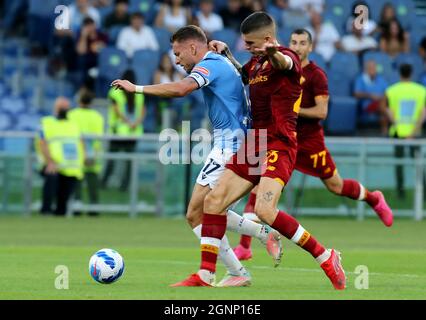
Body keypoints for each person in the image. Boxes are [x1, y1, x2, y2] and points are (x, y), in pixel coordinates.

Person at [172, 12, 345, 289]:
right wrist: (228, 54)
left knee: (265, 210)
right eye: (245, 44)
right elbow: (246, 75)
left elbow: (284, 62)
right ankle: (206, 275)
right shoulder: (254, 64)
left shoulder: (284, 58)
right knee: (213, 203)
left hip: (280, 142)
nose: (247, 48)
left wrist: (274, 52)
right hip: (255, 143)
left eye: (251, 44)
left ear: (267, 39)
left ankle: (326, 255)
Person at [111, 25, 283, 287]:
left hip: (233, 145)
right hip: (235, 143)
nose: (177, 61)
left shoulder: (210, 63)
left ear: (193, 47)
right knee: (206, 211)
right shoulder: (219, 60)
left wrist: (136, 89)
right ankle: (254, 245)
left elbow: (182, 89)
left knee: (199, 212)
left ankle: (231, 268)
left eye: (178, 54)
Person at [234, 29, 394, 260]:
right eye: (294, 42)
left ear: (310, 47)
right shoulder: (274, 66)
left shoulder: (316, 75)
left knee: (336, 186)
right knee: (258, 186)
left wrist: (292, 110)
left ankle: (373, 198)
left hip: (309, 142)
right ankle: (245, 247)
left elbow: (322, 111)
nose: (297, 46)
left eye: (302, 43)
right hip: (279, 138)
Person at [381, 64, 426, 199]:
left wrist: (394, 120)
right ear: (411, 73)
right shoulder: (421, 90)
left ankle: (401, 193)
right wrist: (416, 129)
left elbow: (384, 107)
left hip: (398, 132)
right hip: (415, 132)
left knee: (399, 163)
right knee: (419, 164)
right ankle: (423, 193)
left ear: (400, 73)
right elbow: (424, 112)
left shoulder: (392, 90)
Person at [36, 97, 85, 216]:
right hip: (53, 164)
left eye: (66, 106)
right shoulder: (47, 122)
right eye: (62, 106)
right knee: (51, 184)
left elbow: (80, 142)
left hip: (71, 166)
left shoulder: (73, 124)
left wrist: (82, 160)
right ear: (56, 108)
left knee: (64, 197)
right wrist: (50, 162)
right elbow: (42, 142)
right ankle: (46, 211)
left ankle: (60, 214)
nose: (64, 109)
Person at [102, 69, 145, 192]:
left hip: (118, 131)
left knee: (111, 159)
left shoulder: (114, 92)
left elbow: (116, 110)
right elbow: (142, 111)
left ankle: (104, 183)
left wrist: (127, 122)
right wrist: (134, 123)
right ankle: (124, 186)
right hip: (133, 132)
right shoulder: (138, 91)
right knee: (129, 163)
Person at [68, 90, 105, 216]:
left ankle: (77, 208)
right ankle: (94, 209)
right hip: (92, 154)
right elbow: (98, 138)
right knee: (92, 182)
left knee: (77, 182)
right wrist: (94, 155)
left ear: (79, 100)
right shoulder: (97, 116)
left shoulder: (72, 114)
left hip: (76, 154)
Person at [354, 60, 389, 134]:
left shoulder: (381, 79)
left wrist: (382, 97)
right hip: (367, 105)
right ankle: (388, 127)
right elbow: (356, 93)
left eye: (374, 67)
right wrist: (371, 95)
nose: (372, 69)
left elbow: (388, 92)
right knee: (384, 106)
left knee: (383, 106)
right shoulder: (361, 79)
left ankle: (385, 132)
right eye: (370, 68)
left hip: (381, 104)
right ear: (366, 69)